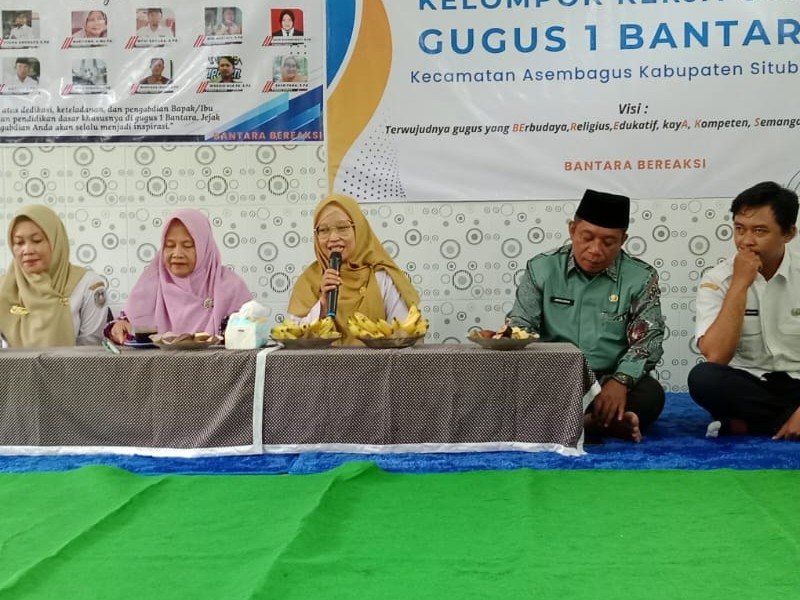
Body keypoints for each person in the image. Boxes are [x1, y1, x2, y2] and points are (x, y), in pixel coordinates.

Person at [507, 189, 666, 442]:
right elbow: (520, 327)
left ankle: (572, 424)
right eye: (587, 237)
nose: (595, 250)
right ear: (572, 230)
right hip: (554, 377)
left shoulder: (641, 277)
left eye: (608, 242)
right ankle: (597, 424)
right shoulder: (541, 269)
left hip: (607, 379)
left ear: (623, 240)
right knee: (509, 388)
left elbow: (648, 340)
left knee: (651, 395)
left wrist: (620, 382)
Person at [688, 181, 800, 441]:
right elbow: (716, 356)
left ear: (788, 233)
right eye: (739, 229)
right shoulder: (718, 279)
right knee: (703, 379)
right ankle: (784, 421)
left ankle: (751, 425)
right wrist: (739, 284)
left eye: (759, 231)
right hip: (750, 384)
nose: (746, 241)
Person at [288, 194, 420, 345]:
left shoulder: (381, 277)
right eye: (323, 230)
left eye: (342, 227)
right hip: (321, 361)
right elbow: (292, 338)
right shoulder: (308, 281)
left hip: (377, 360)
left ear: (359, 229)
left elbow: (403, 336)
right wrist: (323, 305)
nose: (333, 237)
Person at [108, 208, 252, 343]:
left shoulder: (231, 287)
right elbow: (124, 325)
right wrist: (119, 327)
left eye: (188, 245)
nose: (177, 254)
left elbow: (250, 334)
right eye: (170, 245)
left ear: (204, 247)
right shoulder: (151, 284)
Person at [0, 205, 107, 347]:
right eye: (19, 243)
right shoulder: (4, 287)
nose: (27, 250)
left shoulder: (88, 284)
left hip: (74, 362)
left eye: (37, 240)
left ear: (56, 241)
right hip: (13, 363)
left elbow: (91, 348)